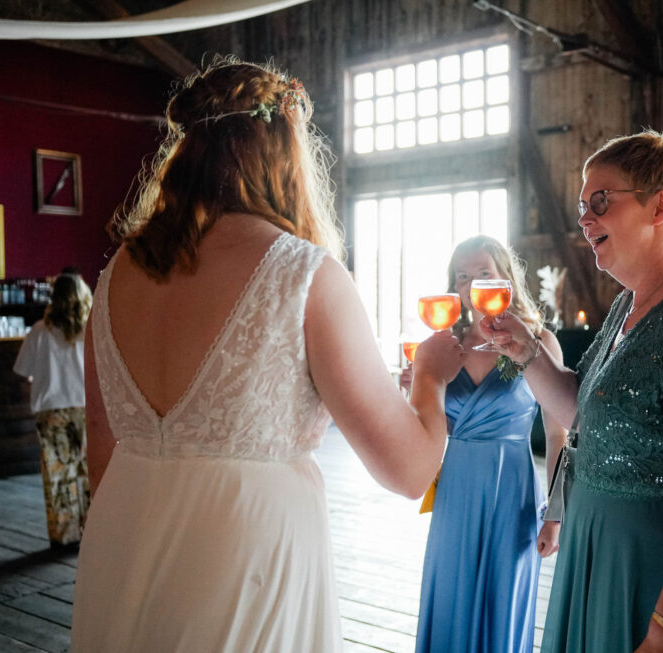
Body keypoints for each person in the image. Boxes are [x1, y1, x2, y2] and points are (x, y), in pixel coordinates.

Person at [70, 58, 463, 652]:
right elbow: (409, 472)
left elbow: (101, 450)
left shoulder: (117, 273)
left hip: (124, 542)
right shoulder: (304, 276)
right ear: (283, 153)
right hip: (245, 561)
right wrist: (430, 380)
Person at [479, 129, 663, 652]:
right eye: (583, 206)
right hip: (605, 556)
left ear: (661, 205)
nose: (585, 219)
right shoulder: (626, 306)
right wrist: (525, 351)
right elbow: (582, 407)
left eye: (601, 202)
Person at [411, 235, 566, 653]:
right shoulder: (444, 350)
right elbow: (423, 428)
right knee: (450, 596)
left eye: (484, 274)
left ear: (506, 281)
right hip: (456, 492)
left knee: (504, 599)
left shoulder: (538, 343)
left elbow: (558, 434)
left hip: (512, 492)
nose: (473, 285)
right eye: (464, 277)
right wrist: (418, 387)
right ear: (453, 288)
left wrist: (555, 512)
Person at [13, 271, 92, 547]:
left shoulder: (39, 331)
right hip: (86, 407)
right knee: (88, 471)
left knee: (59, 474)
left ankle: (65, 534)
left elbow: (23, 370)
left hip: (52, 411)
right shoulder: (90, 330)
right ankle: (93, 531)